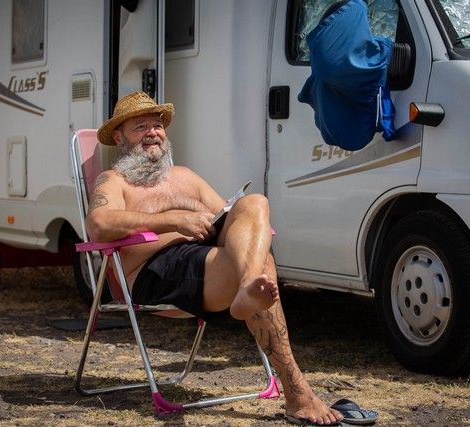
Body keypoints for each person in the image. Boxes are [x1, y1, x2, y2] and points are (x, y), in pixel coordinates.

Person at [87, 91, 343, 425]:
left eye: (158, 125)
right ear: (119, 137)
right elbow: (99, 224)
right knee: (262, 263)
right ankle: (297, 393)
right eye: (141, 126)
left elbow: (232, 218)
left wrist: (240, 218)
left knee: (254, 203)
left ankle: (249, 285)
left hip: (203, 259)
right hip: (157, 272)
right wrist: (175, 220)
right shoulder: (114, 181)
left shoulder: (185, 176)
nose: (153, 131)